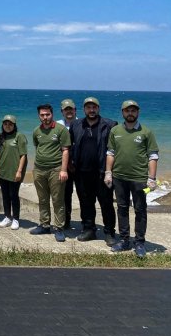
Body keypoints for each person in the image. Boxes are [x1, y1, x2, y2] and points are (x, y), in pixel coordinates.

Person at [105, 100, 159, 258]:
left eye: (133, 111)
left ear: (138, 112)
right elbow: (110, 153)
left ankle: (140, 242)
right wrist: (108, 172)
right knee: (121, 208)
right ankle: (124, 240)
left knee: (140, 210)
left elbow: (153, 156)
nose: (130, 113)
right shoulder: (115, 131)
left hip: (139, 178)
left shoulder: (146, 132)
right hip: (119, 177)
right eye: (127, 110)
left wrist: (152, 178)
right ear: (122, 112)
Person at [69, 97, 118, 245]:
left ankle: (109, 232)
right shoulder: (76, 124)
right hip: (82, 172)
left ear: (98, 108)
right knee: (85, 202)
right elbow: (70, 145)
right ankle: (89, 229)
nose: (91, 110)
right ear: (84, 109)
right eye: (88, 107)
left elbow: (115, 149)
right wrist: (71, 163)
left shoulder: (110, 125)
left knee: (106, 203)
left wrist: (111, 170)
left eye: (94, 107)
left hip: (102, 172)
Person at [30, 103, 71, 242]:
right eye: (42, 115)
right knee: (42, 199)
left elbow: (65, 150)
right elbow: (38, 147)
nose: (45, 117)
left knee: (58, 200)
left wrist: (63, 170)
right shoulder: (36, 131)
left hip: (56, 169)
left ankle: (59, 228)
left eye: (47, 114)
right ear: (38, 116)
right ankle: (44, 225)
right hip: (39, 169)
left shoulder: (61, 130)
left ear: (52, 114)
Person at [0, 115, 27, 230]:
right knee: (5, 195)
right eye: (5, 124)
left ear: (14, 125)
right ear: (2, 125)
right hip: (2, 171)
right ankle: (7, 217)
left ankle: (16, 219)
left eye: (10, 124)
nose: (8, 126)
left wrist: (19, 171)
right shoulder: (0, 137)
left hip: (14, 172)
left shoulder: (19, 136)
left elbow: (23, 155)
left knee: (14, 195)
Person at [58, 99, 77, 229]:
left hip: (80, 166)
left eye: (71, 109)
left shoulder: (82, 123)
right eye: (66, 109)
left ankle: (88, 223)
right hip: (65, 166)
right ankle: (66, 220)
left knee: (85, 195)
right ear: (62, 111)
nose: (69, 111)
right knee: (65, 194)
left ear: (75, 110)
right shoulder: (58, 125)